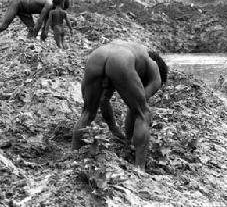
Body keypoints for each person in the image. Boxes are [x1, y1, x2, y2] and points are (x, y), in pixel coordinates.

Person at [71, 40, 168, 170]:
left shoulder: (134, 49)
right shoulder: (154, 69)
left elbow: (103, 100)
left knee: (87, 113)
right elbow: (136, 110)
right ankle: (139, 168)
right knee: (143, 113)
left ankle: (72, 158)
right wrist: (128, 139)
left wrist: (114, 128)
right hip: (122, 59)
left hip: (97, 55)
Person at [0, 0, 69, 44]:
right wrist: (35, 38)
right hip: (17, 3)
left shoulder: (51, 10)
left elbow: (45, 28)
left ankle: (27, 44)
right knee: (3, 26)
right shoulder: (48, 4)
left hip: (25, 11)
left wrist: (42, 42)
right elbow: (39, 21)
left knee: (31, 29)